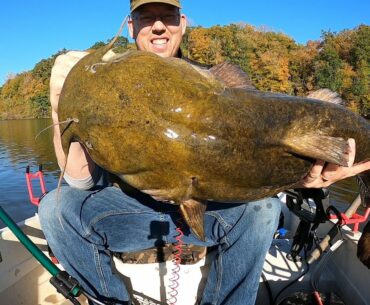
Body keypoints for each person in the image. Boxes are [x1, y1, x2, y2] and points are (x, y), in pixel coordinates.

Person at [39, 1, 370, 304]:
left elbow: (259, 150)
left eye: (167, 17)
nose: (158, 26)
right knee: (55, 208)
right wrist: (61, 114)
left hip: (212, 211)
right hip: (131, 214)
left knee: (264, 211)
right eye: (146, 18)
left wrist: (305, 179)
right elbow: (82, 184)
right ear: (130, 26)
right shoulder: (105, 87)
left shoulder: (215, 80)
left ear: (182, 23)